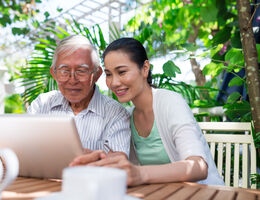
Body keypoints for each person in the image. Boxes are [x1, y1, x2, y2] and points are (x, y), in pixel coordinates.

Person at [70, 37, 224, 186]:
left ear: (144, 69)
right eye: (109, 74)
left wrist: (140, 174)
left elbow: (198, 167)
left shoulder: (170, 102)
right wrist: (99, 160)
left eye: (122, 72)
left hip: (204, 194)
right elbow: (124, 166)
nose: (114, 82)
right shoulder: (127, 116)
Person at [27, 35, 131, 157]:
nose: (72, 80)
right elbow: (21, 148)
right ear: (54, 74)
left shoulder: (115, 114)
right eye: (64, 71)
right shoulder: (41, 105)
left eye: (81, 71)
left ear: (97, 74)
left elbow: (118, 164)